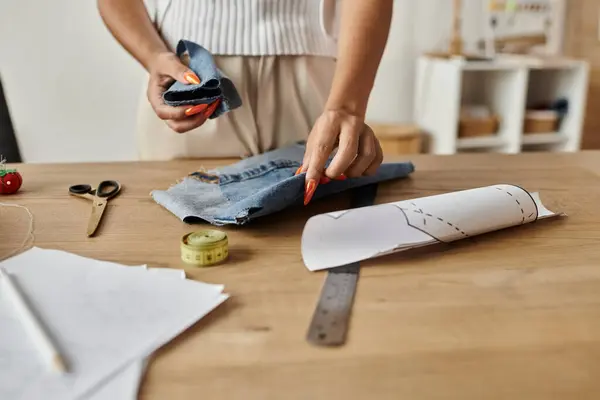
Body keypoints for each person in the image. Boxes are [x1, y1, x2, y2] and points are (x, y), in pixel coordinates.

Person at [97, 0, 393, 204]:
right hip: (190, 82)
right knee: (176, 246)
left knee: (320, 241)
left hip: (317, 94)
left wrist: (346, 105)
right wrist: (153, 56)